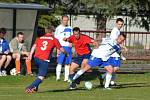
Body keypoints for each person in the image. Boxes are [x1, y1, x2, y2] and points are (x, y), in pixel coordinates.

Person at [25, 25, 67, 93]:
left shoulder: (39, 38)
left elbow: (34, 46)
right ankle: (29, 87)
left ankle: (35, 88)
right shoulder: (54, 39)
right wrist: (66, 53)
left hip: (36, 58)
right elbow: (61, 49)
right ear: (52, 32)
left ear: (46, 31)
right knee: (41, 77)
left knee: (39, 74)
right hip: (44, 60)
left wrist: (30, 55)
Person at [108, 18, 128, 86]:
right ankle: (104, 77)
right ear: (116, 23)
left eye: (121, 24)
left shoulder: (117, 31)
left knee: (114, 67)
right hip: (113, 51)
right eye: (119, 24)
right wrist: (124, 48)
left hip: (115, 50)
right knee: (116, 68)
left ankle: (112, 82)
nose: (120, 25)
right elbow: (115, 42)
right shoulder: (115, 31)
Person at [54, 15, 73, 81]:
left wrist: (71, 42)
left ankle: (66, 78)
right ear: (61, 20)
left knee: (67, 63)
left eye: (67, 20)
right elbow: (56, 39)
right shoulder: (58, 28)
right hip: (61, 47)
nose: (66, 21)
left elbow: (72, 37)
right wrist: (58, 48)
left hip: (68, 47)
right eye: (64, 20)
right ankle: (58, 77)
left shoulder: (70, 28)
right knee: (60, 62)